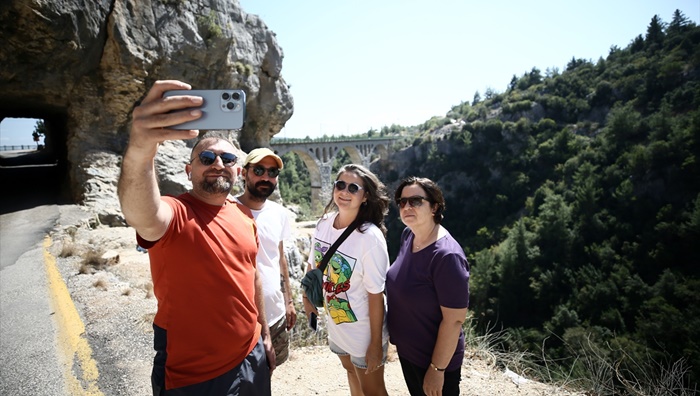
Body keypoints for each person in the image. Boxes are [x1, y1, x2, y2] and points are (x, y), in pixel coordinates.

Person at [117, 80, 274, 396]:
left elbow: (251, 274)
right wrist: (140, 149)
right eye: (207, 158)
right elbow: (142, 214)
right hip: (191, 375)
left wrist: (265, 334)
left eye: (228, 160)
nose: (218, 164)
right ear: (189, 170)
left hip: (251, 356)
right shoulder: (176, 212)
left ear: (239, 173)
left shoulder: (244, 216)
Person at [302, 164, 391, 396]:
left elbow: (376, 294)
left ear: (365, 197)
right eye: (340, 185)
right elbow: (313, 264)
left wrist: (374, 345)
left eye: (354, 188)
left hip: (363, 330)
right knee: (350, 371)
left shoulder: (369, 237)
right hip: (338, 323)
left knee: (373, 390)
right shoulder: (323, 224)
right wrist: (307, 298)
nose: (345, 192)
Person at [386, 176, 470, 396]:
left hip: (432, 360)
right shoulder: (408, 235)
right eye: (402, 202)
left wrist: (437, 369)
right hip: (409, 352)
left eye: (415, 201)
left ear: (434, 207)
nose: (406, 207)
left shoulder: (446, 256)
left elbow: (454, 320)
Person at [235, 147, 297, 365]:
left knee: (268, 374)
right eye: (259, 170)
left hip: (276, 315)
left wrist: (288, 301)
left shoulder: (278, 213)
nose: (266, 177)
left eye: (272, 173)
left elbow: (279, 259)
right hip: (241, 320)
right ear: (244, 173)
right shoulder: (227, 210)